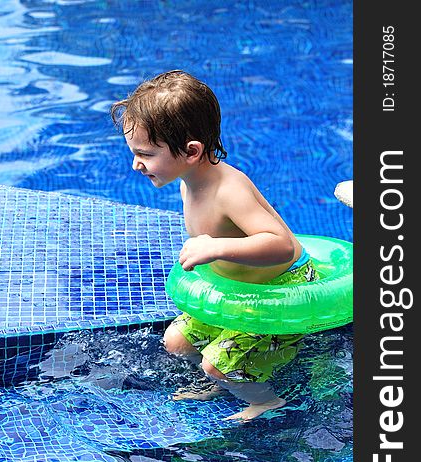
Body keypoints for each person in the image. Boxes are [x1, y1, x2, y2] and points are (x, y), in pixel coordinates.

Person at [111, 70, 318, 421]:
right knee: (175, 342)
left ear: (191, 151)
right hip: (242, 287)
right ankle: (230, 378)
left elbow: (281, 245)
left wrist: (217, 247)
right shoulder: (185, 181)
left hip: (282, 290)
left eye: (145, 153)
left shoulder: (229, 190)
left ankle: (266, 399)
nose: (136, 164)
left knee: (215, 365)